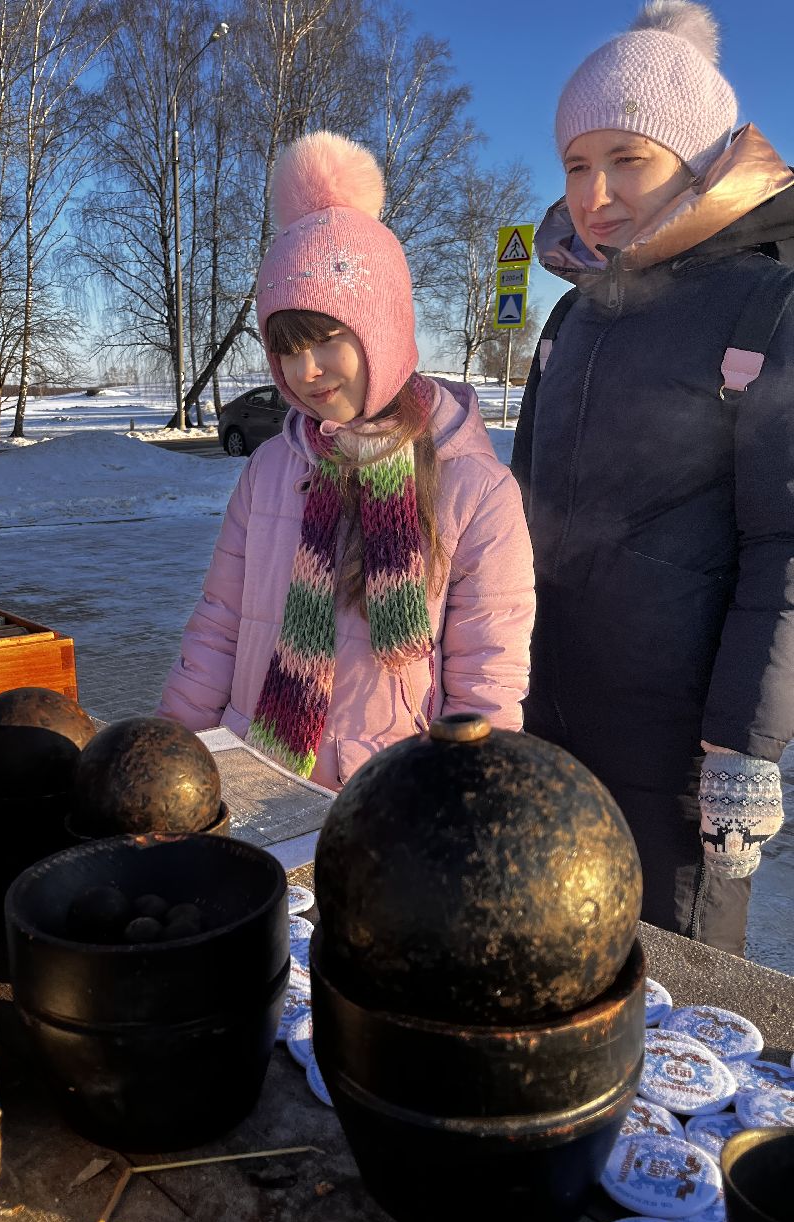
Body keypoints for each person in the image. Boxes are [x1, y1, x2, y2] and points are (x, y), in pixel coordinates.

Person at [512, 0, 793, 956]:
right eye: (576, 165)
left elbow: (785, 543)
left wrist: (743, 747)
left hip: (684, 759)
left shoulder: (768, 307)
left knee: (671, 1002)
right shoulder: (571, 319)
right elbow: (519, 519)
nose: (596, 192)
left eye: (627, 158)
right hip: (548, 720)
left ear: (699, 157)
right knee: (549, 968)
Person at [159, 131, 535, 790]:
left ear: (381, 331)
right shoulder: (272, 469)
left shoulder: (476, 489)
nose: (305, 371)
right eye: (285, 348)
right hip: (261, 775)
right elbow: (218, 625)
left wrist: (469, 800)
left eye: (327, 339)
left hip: (391, 792)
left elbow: (487, 675)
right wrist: (169, 755)